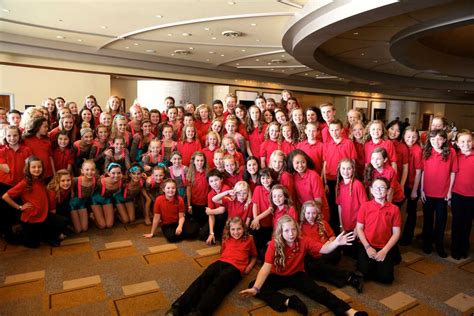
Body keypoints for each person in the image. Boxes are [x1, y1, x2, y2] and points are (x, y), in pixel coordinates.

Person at [240, 215, 365, 316]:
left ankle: (350, 312)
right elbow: (266, 268)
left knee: (320, 292)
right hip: (277, 275)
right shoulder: (274, 245)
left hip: (297, 274)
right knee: (253, 286)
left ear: (297, 229)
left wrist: (336, 243)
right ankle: (288, 301)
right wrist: (256, 288)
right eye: (287, 230)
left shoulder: (304, 240)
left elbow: (324, 249)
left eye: (293, 229)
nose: (291, 233)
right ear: (280, 231)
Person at [166, 217, 257, 316]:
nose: (236, 232)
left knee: (218, 284)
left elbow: (254, 256)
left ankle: (200, 311)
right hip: (221, 261)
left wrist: (249, 267)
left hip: (236, 268)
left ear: (244, 228)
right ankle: (179, 306)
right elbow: (223, 252)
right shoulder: (226, 238)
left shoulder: (249, 239)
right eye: (233, 229)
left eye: (239, 229)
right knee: (204, 278)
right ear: (229, 230)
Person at [301, 201, 364, 293]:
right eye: (308, 213)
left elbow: (333, 237)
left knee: (316, 268)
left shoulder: (322, 223)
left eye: (314, 213)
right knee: (317, 268)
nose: (311, 216)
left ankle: (348, 277)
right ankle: (351, 277)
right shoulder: (300, 227)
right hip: (314, 256)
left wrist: (329, 243)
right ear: (304, 213)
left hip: (330, 252)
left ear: (317, 213)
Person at [2, 156, 63, 248]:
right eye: (33, 167)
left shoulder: (41, 179)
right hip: (31, 217)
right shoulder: (25, 183)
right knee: (33, 245)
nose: (37, 169)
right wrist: (20, 207)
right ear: (28, 168)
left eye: (39, 167)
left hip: (43, 214)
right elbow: (5, 196)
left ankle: (45, 236)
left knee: (62, 222)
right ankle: (19, 231)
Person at [356, 177, 401, 284]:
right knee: (365, 274)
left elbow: (396, 233)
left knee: (386, 279)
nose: (378, 190)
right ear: (371, 190)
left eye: (382, 188)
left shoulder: (394, 209)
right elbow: (359, 228)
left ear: (388, 191)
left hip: (384, 246)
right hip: (367, 245)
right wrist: (367, 247)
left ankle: (383, 262)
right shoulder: (365, 206)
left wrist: (385, 251)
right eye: (375, 188)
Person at [421, 129, 457, 257]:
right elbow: (423, 172)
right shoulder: (426, 152)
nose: (436, 141)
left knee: (441, 220)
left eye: (440, 139)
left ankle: (439, 245)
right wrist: (422, 190)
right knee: (428, 220)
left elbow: (453, 172)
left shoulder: (451, 152)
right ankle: (427, 243)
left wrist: (449, 191)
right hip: (428, 192)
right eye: (433, 139)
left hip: (443, 193)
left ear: (444, 140)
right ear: (429, 140)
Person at [322, 119, 357, 233]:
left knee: (344, 204)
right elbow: (325, 164)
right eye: (331, 130)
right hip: (331, 179)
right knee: (332, 205)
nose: (334, 132)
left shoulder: (348, 143)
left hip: (345, 178)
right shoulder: (327, 145)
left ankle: (346, 229)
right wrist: (325, 182)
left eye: (337, 129)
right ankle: (335, 231)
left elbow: (352, 162)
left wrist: (352, 179)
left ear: (342, 130)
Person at [144, 178, 199, 242]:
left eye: (173, 188)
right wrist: (152, 233)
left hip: (178, 221)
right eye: (168, 188)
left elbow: (181, 217)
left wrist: (180, 226)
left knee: (192, 233)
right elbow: (156, 218)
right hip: (167, 224)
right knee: (171, 238)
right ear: (163, 189)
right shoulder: (158, 200)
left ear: (176, 189)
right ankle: (184, 234)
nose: (171, 190)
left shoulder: (179, 199)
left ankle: (191, 227)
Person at [287, 149, 329, 220]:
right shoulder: (295, 176)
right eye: (297, 163)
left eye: (303, 162)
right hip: (305, 214)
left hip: (317, 213)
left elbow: (319, 202)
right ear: (292, 164)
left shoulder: (314, 176)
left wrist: (310, 217)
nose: (300, 165)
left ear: (306, 162)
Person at [451, 130, 473, 259]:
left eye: (469, 141)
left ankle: (464, 247)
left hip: (472, 196)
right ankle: (455, 248)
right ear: (458, 144)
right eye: (463, 141)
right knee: (456, 222)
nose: (466, 144)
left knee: (467, 223)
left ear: (473, 142)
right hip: (457, 195)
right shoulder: (455, 156)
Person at [399, 127, 423, 245]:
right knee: (396, 209)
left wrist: (414, 190)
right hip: (401, 184)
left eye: (414, 137)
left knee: (411, 212)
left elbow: (419, 172)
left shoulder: (418, 150)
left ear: (417, 137)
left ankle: (407, 238)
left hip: (413, 185)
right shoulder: (400, 146)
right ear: (403, 136)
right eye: (408, 136)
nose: (411, 139)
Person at [90, 162, 123, 229]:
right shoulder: (100, 181)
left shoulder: (121, 181)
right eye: (113, 173)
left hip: (107, 200)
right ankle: (92, 216)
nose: (116, 175)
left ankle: (109, 213)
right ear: (108, 173)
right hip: (95, 200)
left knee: (109, 225)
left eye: (119, 173)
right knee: (102, 226)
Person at [70, 160, 97, 233]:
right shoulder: (75, 180)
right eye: (87, 170)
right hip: (72, 206)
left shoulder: (95, 180)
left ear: (95, 171)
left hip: (82, 205)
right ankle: (70, 223)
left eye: (92, 170)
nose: (90, 172)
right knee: (78, 230)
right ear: (82, 171)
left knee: (84, 228)